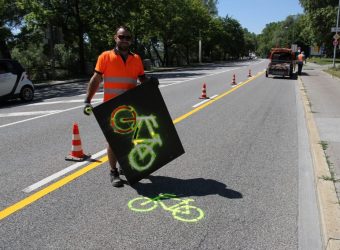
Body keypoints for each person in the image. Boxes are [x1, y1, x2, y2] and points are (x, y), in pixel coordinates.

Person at [83, 25, 157, 187]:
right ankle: (113, 171)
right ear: (115, 37)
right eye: (121, 37)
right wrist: (88, 100)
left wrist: (151, 82)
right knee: (113, 142)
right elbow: (96, 79)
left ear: (130, 40)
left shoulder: (136, 58)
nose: (124, 40)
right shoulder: (105, 56)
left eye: (127, 37)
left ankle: (125, 166)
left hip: (130, 106)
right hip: (111, 107)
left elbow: (142, 78)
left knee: (129, 138)